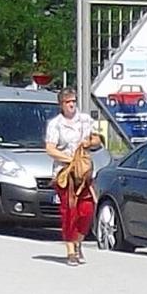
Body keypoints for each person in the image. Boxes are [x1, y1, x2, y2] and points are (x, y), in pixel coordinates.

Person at [44, 90, 102, 264]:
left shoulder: (85, 120)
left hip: (83, 173)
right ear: (61, 104)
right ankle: (71, 250)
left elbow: (98, 140)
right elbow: (50, 149)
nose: (71, 104)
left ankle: (78, 241)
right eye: (68, 102)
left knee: (86, 211)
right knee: (70, 211)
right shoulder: (55, 124)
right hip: (65, 173)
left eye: (73, 101)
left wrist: (89, 142)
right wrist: (70, 160)